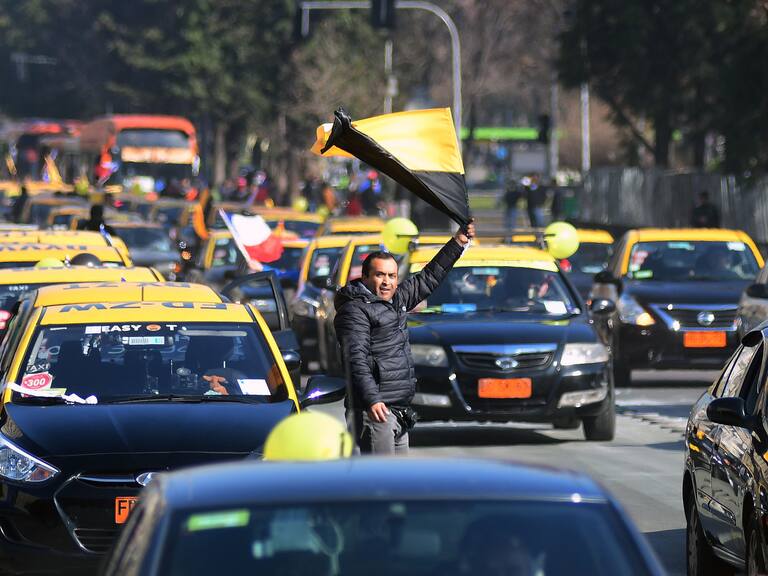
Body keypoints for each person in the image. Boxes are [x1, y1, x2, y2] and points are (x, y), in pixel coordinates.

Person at [334, 220, 476, 454]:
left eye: (391, 275)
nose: (387, 281)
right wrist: (372, 400)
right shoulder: (354, 310)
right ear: (366, 277)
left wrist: (458, 242)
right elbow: (355, 360)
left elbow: (431, 275)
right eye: (380, 275)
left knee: (399, 486)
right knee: (381, 485)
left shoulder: (397, 299)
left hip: (398, 411)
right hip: (375, 411)